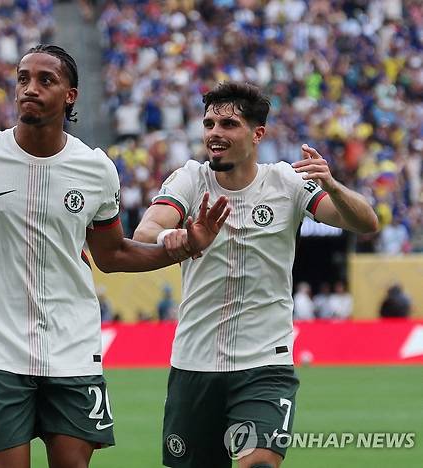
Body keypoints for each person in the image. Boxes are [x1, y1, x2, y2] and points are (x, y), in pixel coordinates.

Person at [0, 44, 229, 468]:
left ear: (70, 95)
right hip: (0, 351)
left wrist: (186, 247)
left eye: (45, 80)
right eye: (23, 78)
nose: (30, 88)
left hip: (74, 349)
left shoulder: (96, 168)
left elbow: (113, 254)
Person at [133, 82, 378, 468]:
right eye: (209, 124)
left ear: (257, 133)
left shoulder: (286, 182)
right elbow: (145, 232)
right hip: (194, 362)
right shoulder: (190, 179)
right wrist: (173, 237)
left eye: (228, 124)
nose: (214, 133)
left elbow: (366, 222)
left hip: (265, 363)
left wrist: (332, 186)